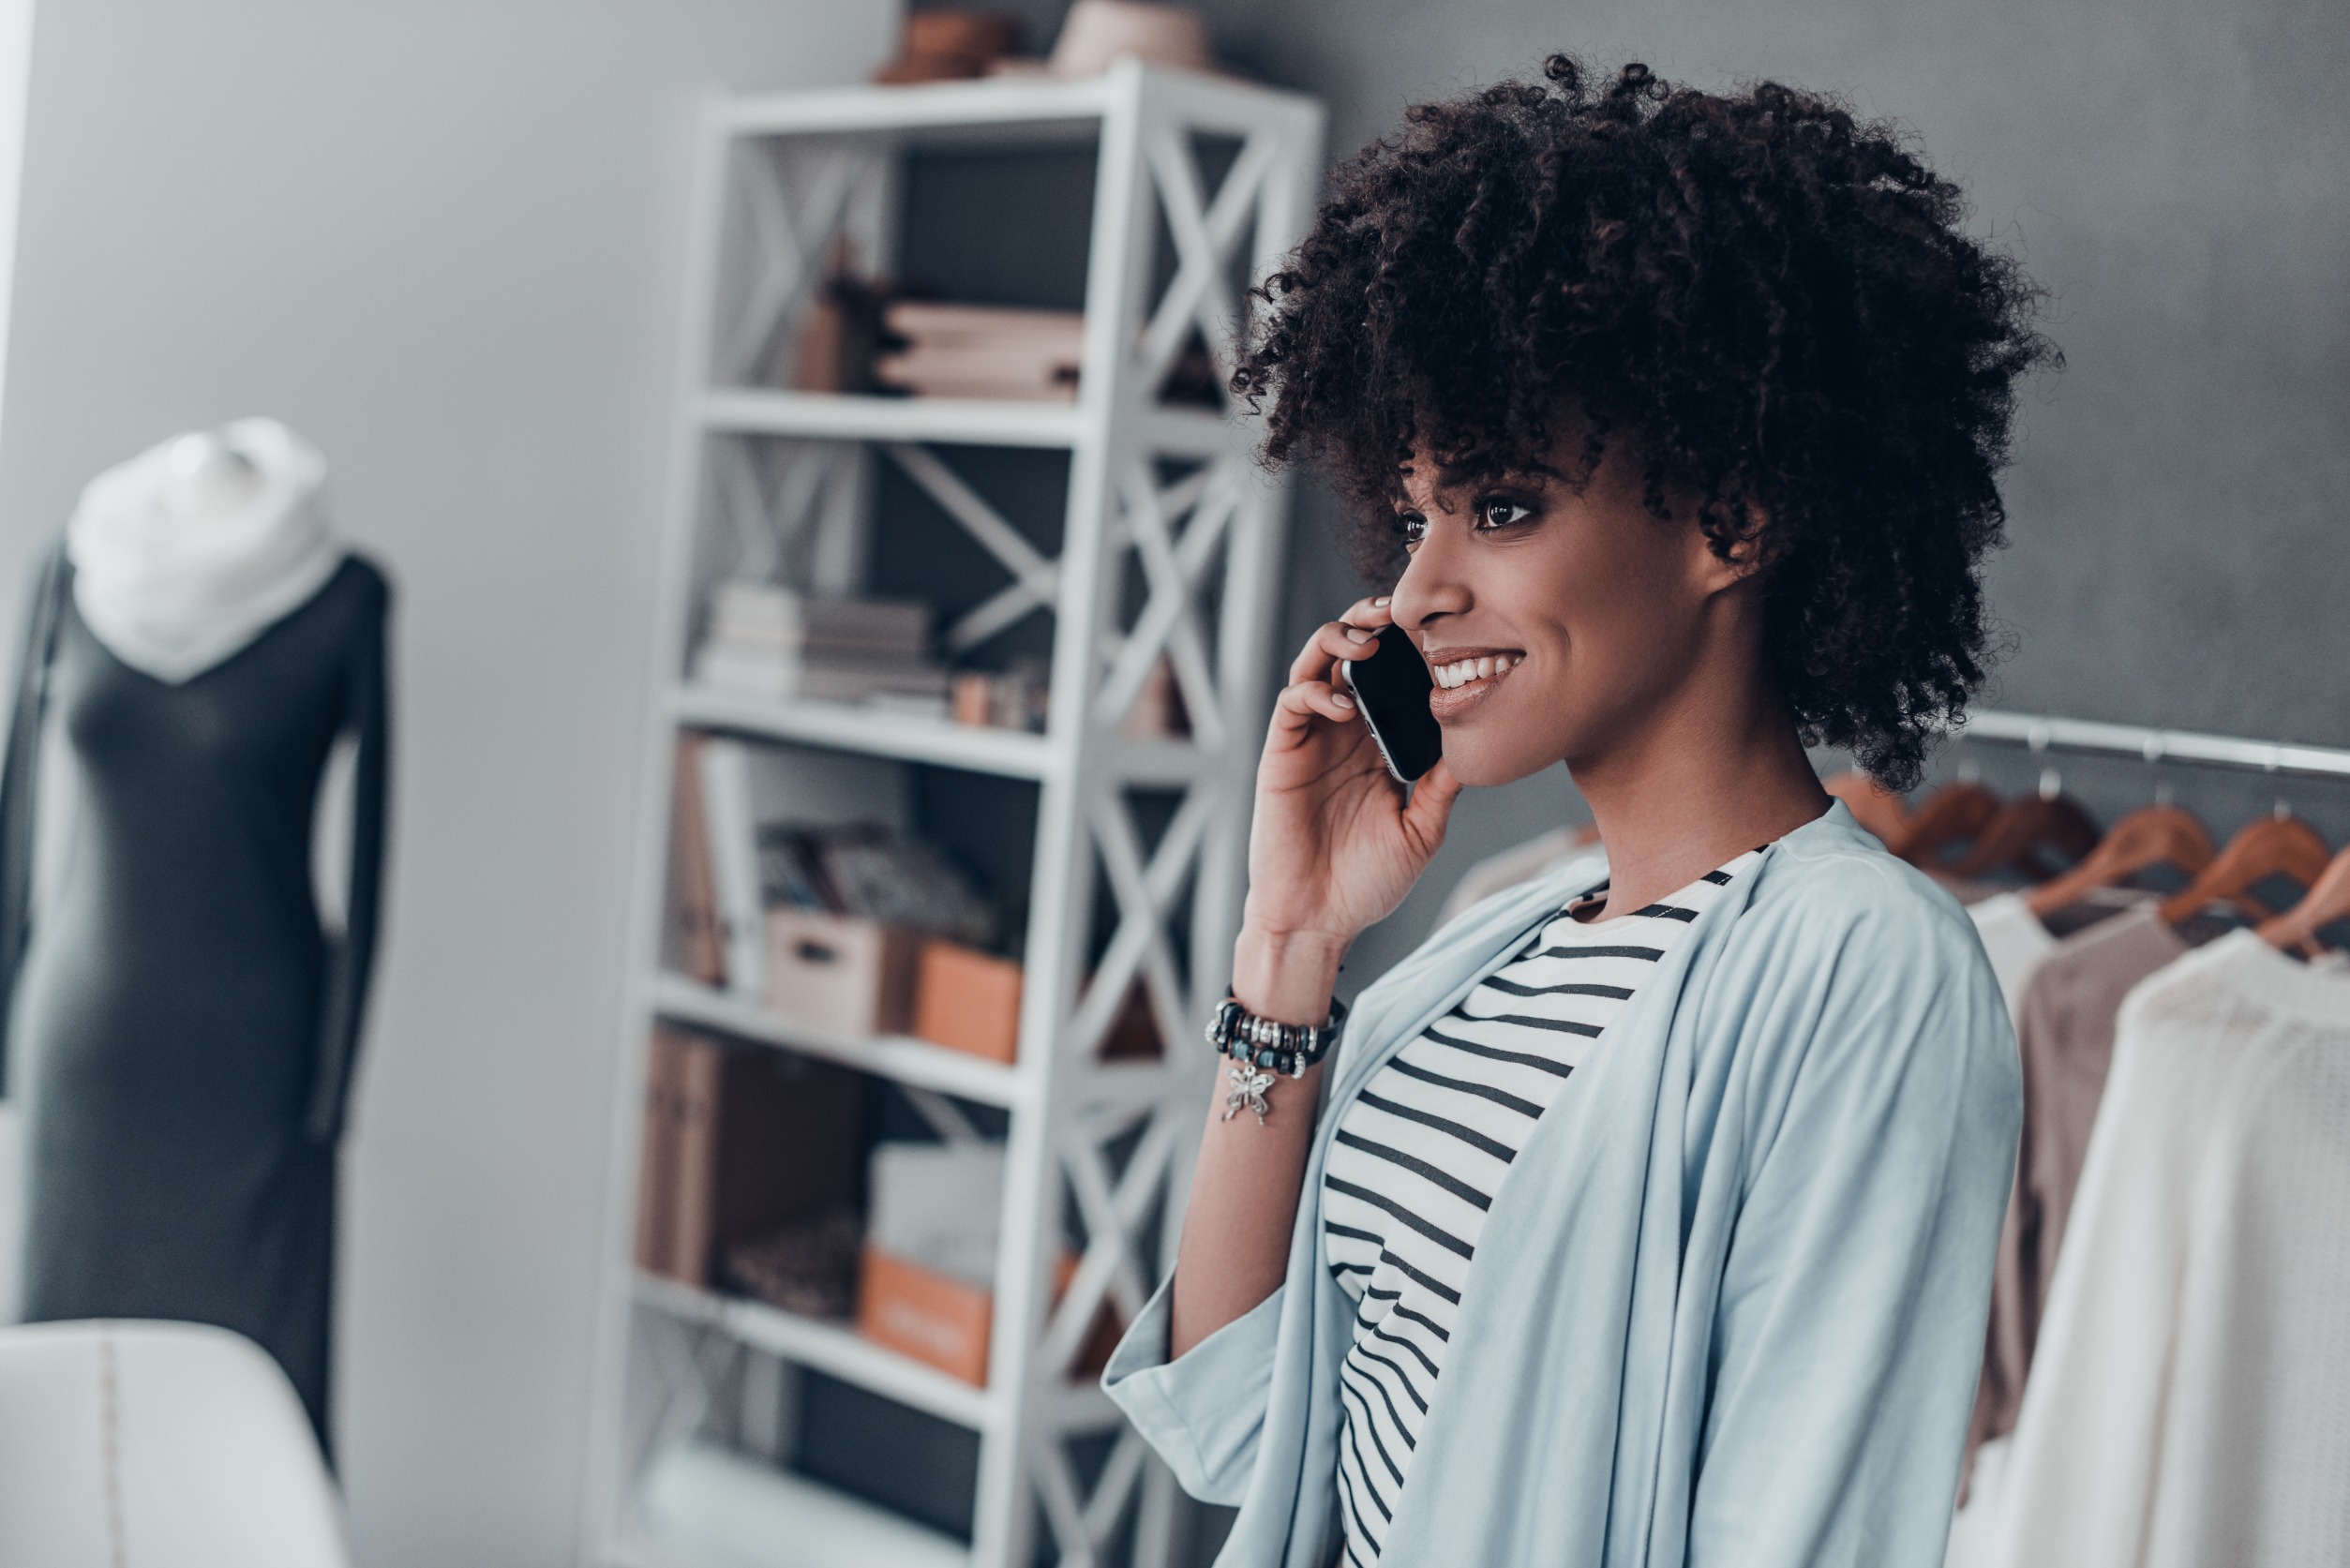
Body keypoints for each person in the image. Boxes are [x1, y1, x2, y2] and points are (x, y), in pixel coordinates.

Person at [1102, 57, 2050, 1568]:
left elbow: (1799, 1535)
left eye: (1502, 505)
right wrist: (1289, 938)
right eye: (1415, 516)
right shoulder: (1496, 947)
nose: (1418, 589)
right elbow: (1234, 1412)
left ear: (1735, 515)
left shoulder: (1870, 974)